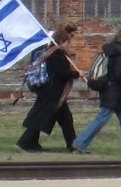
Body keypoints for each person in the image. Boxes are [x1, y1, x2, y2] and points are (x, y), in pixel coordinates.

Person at [71, 29, 121, 156]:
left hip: (108, 90)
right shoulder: (120, 54)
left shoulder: (109, 51)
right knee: (102, 118)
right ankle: (80, 143)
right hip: (113, 92)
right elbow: (119, 75)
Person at [16, 22, 83, 152]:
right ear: (62, 41)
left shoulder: (52, 52)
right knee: (45, 118)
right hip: (53, 93)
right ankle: (24, 143)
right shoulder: (56, 54)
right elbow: (61, 73)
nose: (68, 45)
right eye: (67, 42)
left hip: (53, 93)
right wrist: (76, 74)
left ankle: (71, 145)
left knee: (63, 119)